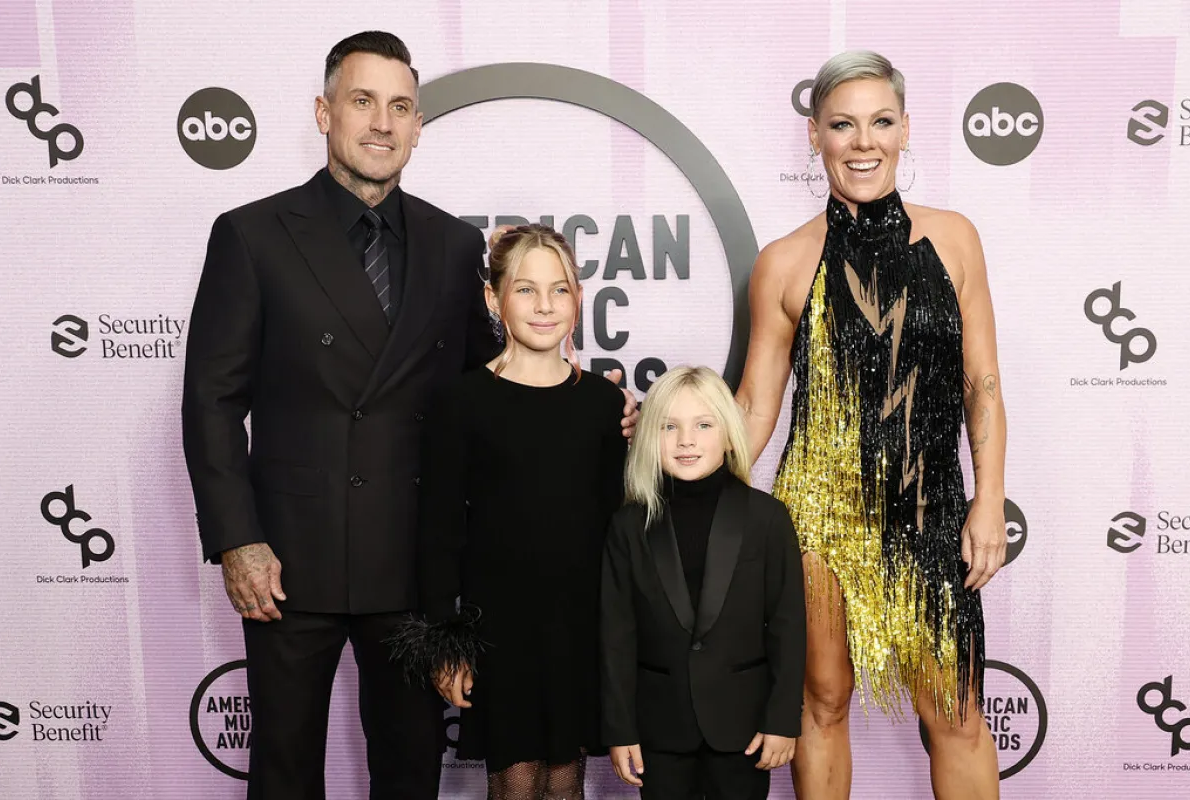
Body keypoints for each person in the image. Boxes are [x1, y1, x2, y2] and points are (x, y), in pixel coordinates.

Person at [181, 32, 637, 800]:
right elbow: (212, 400)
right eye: (363, 101)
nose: (382, 123)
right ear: (324, 113)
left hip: (411, 564)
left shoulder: (452, 243)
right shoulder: (252, 234)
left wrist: (592, 402)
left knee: (409, 771)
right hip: (289, 560)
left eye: (400, 107)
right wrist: (238, 539)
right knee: (284, 769)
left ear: (418, 126)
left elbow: (494, 379)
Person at [735, 50, 1007, 799]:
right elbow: (755, 405)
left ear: (905, 130)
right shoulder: (783, 262)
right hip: (818, 516)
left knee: (956, 713)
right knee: (821, 702)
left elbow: (983, 384)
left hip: (930, 508)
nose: (863, 143)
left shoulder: (955, 239)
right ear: (814, 134)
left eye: (881, 122)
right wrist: (684, 475)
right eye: (842, 125)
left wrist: (988, 498)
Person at [389, 223, 628, 799]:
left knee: (567, 781)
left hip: (580, 624)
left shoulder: (605, 403)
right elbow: (439, 529)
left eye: (559, 289)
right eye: (526, 289)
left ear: (578, 298)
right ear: (493, 299)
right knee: (516, 783)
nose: (545, 306)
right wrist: (447, 643)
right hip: (498, 627)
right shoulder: (461, 400)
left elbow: (617, 524)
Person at [601, 366, 806, 800]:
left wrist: (782, 719)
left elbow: (787, 627)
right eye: (669, 427)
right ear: (647, 437)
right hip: (659, 729)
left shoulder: (767, 518)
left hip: (744, 729)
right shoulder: (629, 525)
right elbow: (616, 634)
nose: (686, 441)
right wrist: (619, 729)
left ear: (729, 434)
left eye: (703, 425)